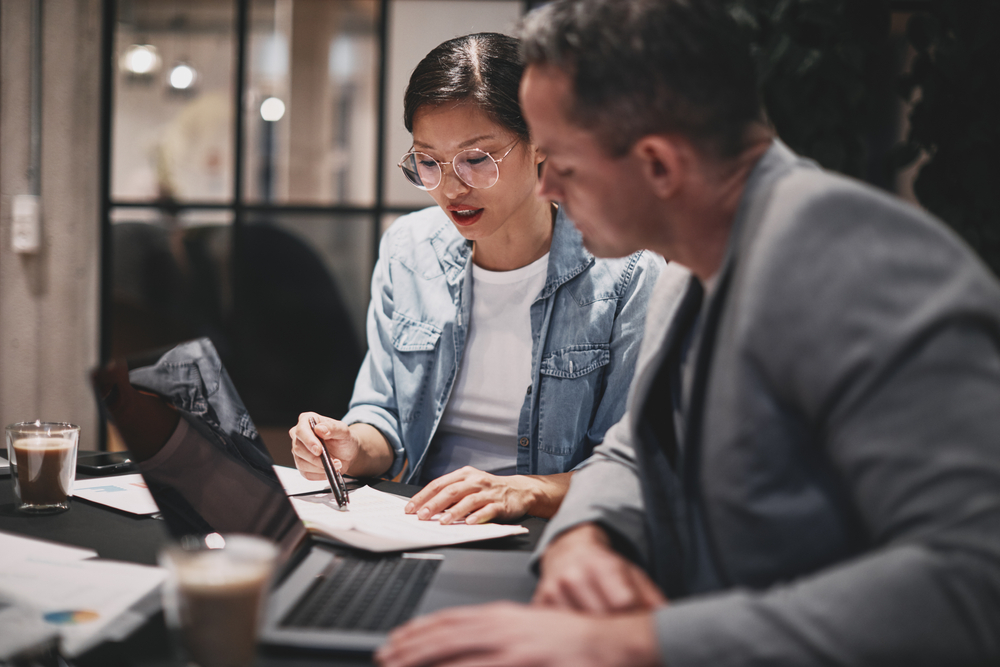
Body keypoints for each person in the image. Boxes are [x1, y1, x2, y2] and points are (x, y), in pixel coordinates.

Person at [375, 1, 1000, 666]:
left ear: (660, 166)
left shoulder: (862, 266)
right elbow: (636, 449)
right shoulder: (691, 263)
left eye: (562, 160)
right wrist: (584, 536)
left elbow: (973, 579)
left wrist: (636, 642)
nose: (547, 183)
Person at [289, 32, 663, 525]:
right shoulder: (409, 250)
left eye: (476, 159)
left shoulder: (627, 270)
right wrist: (349, 446)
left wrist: (523, 492)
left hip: (548, 535)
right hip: (417, 519)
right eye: (428, 161)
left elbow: (631, 468)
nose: (449, 188)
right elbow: (384, 418)